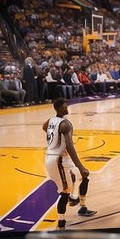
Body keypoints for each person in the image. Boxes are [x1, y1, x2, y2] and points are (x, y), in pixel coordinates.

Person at [42, 97, 94, 229]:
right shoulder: (66, 124)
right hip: (58, 159)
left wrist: (55, 140)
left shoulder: (51, 121)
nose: (67, 108)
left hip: (53, 156)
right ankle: (61, 223)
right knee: (64, 191)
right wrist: (80, 166)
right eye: (65, 106)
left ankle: (81, 205)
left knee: (81, 177)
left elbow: (44, 127)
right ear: (59, 108)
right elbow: (70, 147)